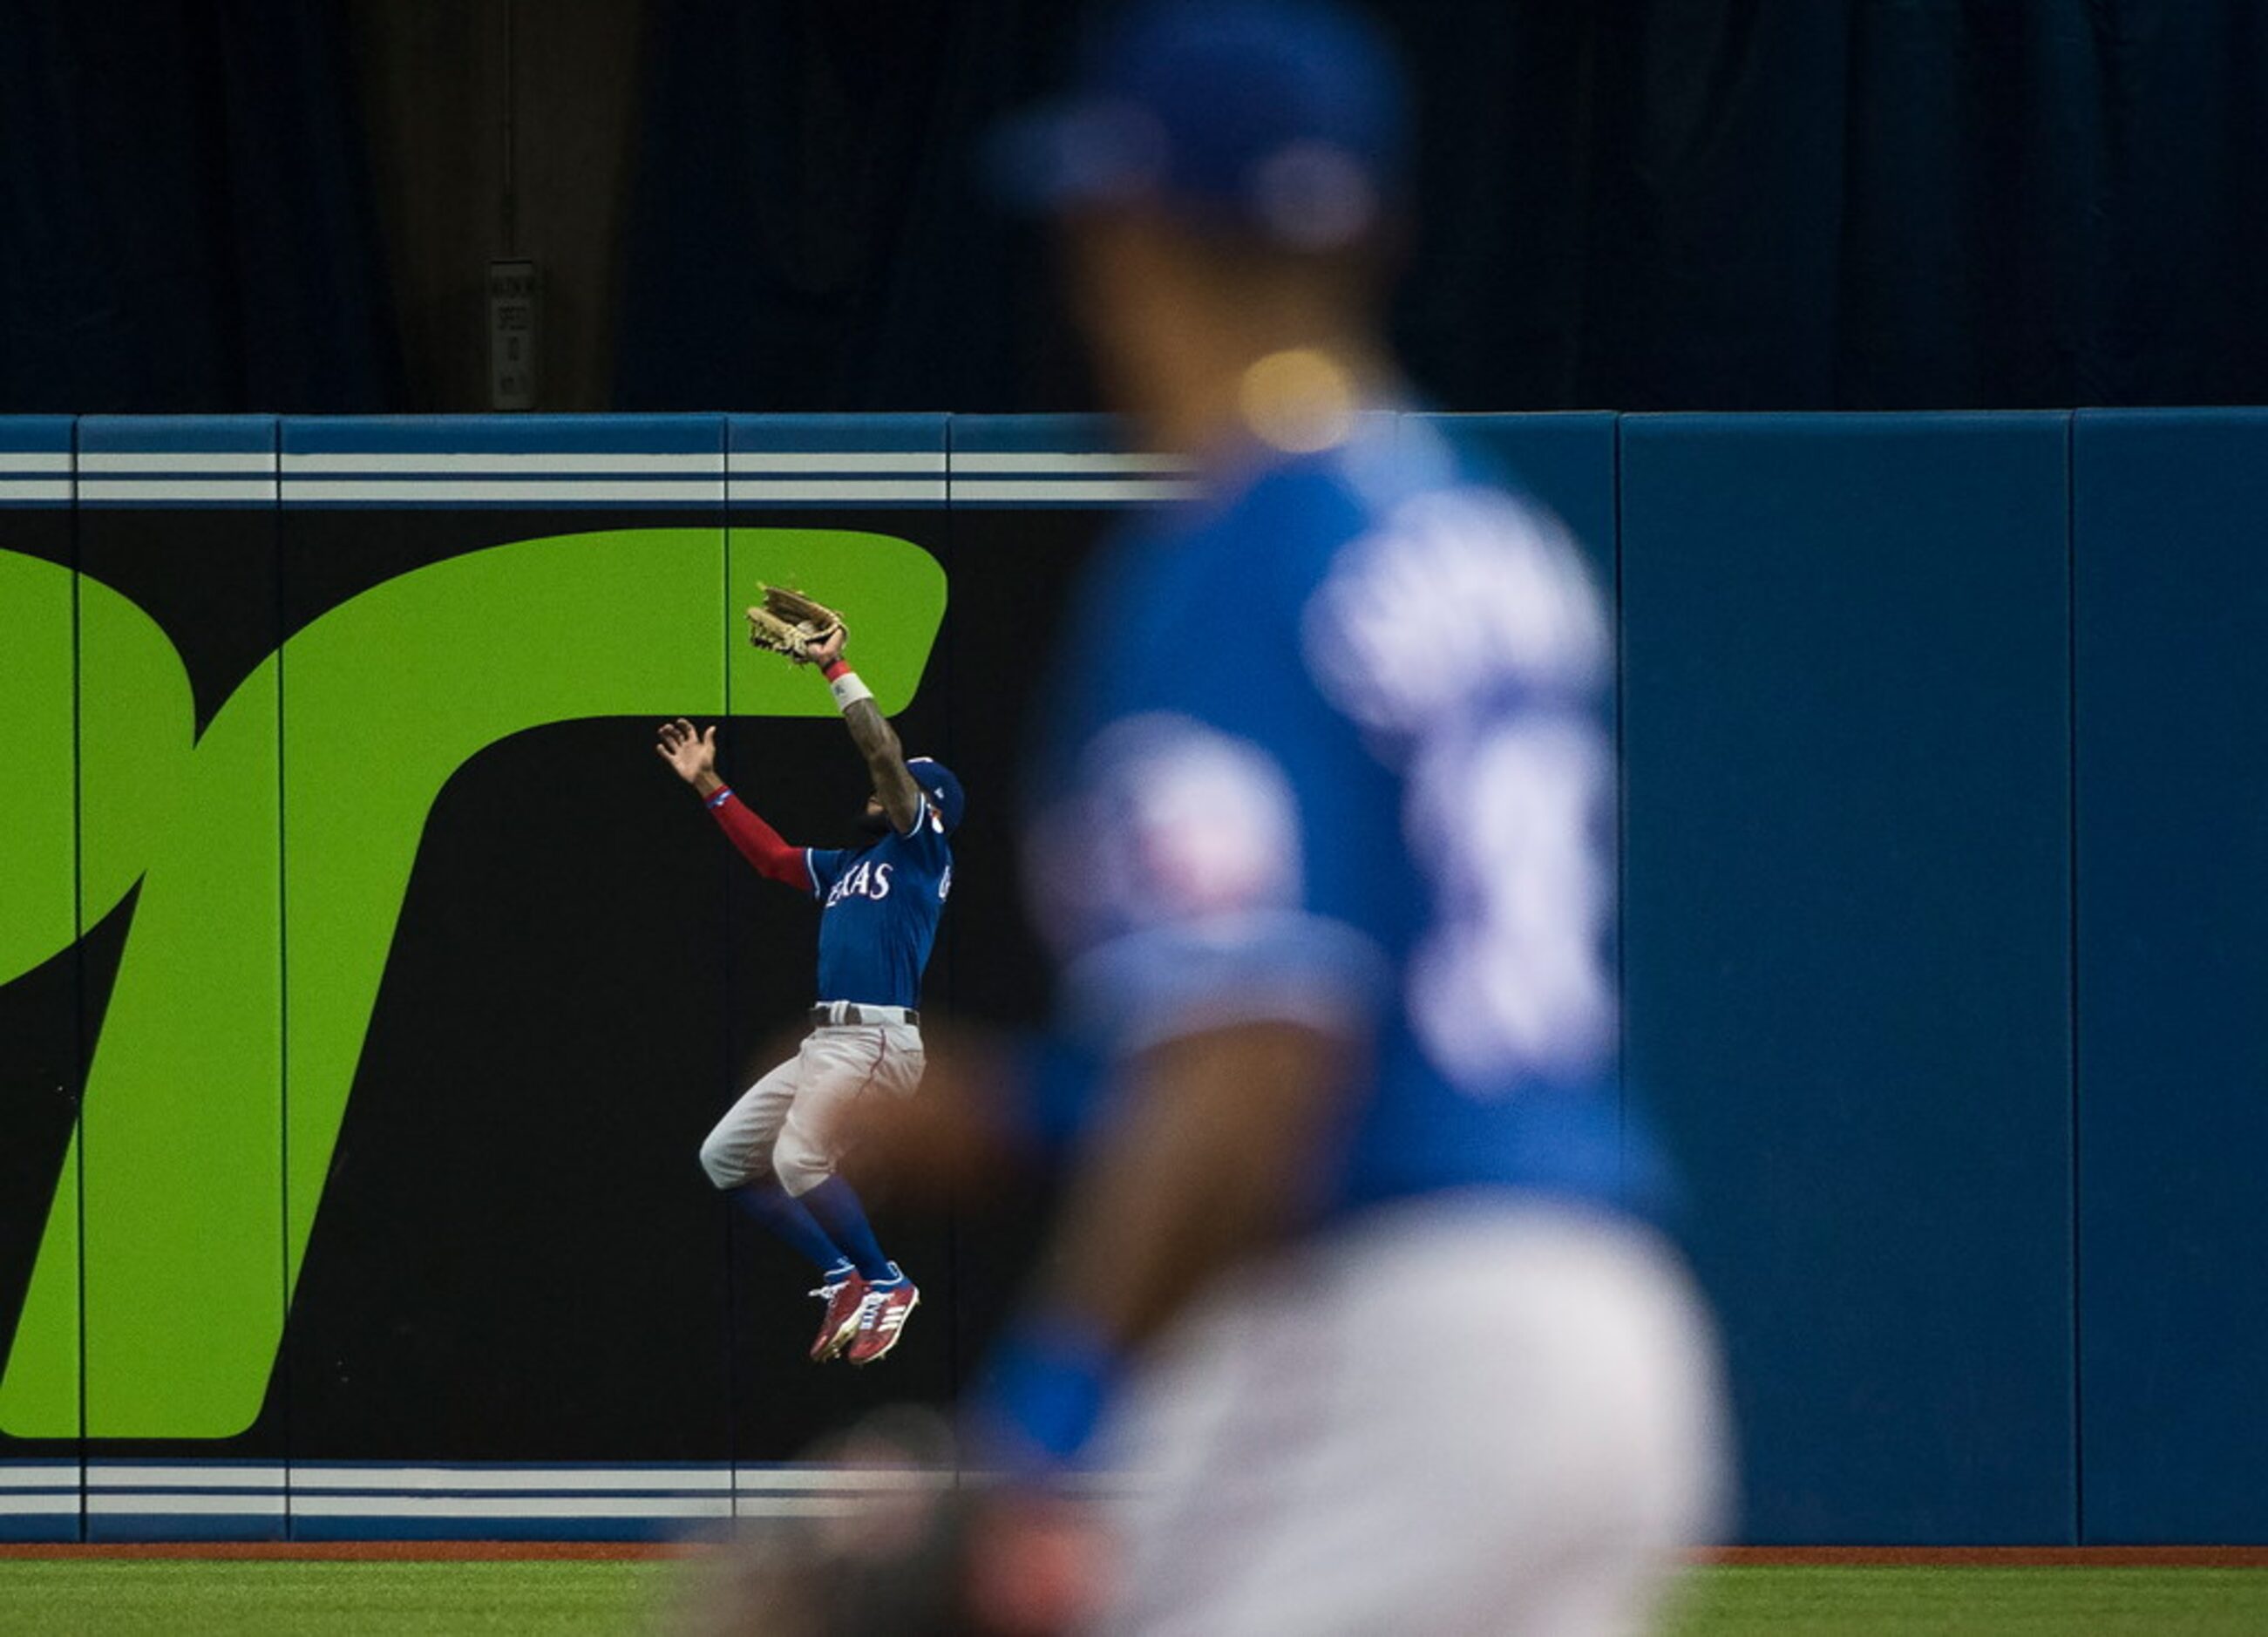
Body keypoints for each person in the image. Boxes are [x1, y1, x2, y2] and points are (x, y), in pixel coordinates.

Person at [954, 2, 1730, 1629]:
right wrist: (1026, 1105)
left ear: (1121, 232)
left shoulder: (1251, 545)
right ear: (1373, 229)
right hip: (1612, 1329)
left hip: (1384, 1338)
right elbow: (1362, 1002)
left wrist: (1034, 1436)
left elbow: (1253, 1062)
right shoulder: (1476, 533)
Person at [655, 617, 962, 1369]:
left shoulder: (921, 852)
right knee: (725, 1159)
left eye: (903, 785)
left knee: (800, 1160)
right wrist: (708, 785)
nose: (883, 785)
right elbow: (772, 860)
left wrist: (835, 669)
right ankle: (842, 1274)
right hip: (829, 1042)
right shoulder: (853, 866)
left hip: (877, 1038)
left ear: (929, 805)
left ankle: (888, 1282)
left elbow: (881, 751)